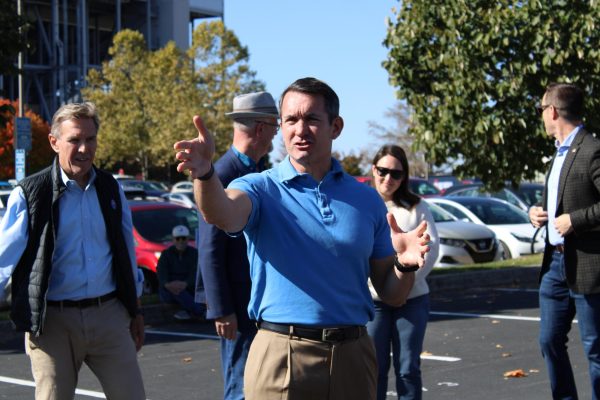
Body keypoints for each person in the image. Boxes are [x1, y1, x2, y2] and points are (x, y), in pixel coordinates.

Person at [174, 77, 430, 400]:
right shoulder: (260, 187)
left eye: (311, 119)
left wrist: (404, 266)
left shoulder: (367, 201)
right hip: (282, 354)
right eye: (291, 120)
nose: (300, 129)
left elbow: (391, 294)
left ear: (335, 126)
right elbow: (221, 212)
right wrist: (206, 174)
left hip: (353, 356)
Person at [0, 102, 146, 400]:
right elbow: (3, 261)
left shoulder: (111, 189)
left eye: (90, 139)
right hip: (52, 323)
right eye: (74, 140)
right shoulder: (29, 193)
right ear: (54, 142)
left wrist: (135, 309)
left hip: (110, 317)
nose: (83, 148)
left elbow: (126, 252)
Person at [197, 91, 278, 400]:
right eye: (274, 125)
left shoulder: (253, 172)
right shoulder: (222, 175)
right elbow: (209, 248)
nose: (276, 134)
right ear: (260, 129)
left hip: (257, 303)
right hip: (239, 308)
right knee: (241, 387)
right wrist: (221, 309)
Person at [529, 82, 600, 399]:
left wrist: (576, 220)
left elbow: (575, 213)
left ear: (553, 111)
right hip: (554, 265)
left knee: (595, 348)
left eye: (542, 108)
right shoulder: (558, 154)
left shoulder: (592, 149)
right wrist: (538, 214)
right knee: (548, 340)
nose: (542, 115)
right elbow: (558, 205)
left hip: (588, 265)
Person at [367, 145, 439, 400]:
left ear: (404, 177)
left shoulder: (416, 206)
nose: (388, 179)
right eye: (383, 171)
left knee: (408, 369)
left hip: (412, 299)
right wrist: (380, 286)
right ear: (373, 169)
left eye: (396, 174)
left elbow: (430, 249)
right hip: (373, 303)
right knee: (373, 370)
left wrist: (403, 282)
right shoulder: (362, 202)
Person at [157, 224, 206, 320]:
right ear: (173, 239)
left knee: (181, 292)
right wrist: (168, 284)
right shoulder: (165, 254)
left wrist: (185, 283)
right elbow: (161, 273)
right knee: (177, 292)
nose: (180, 241)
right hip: (168, 289)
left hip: (188, 287)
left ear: (187, 239)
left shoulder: (194, 253)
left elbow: (196, 272)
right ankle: (199, 311)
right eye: (177, 238)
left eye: (183, 238)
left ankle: (191, 311)